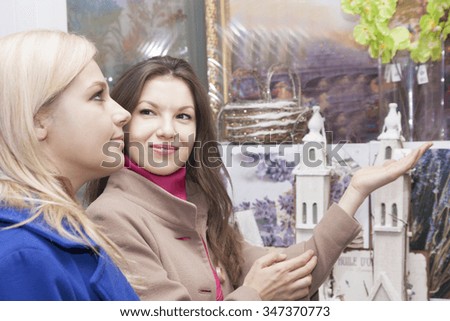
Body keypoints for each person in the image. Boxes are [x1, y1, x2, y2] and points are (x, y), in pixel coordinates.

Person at [86, 56, 432, 301]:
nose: (167, 130)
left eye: (183, 116)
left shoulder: (198, 203)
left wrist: (357, 189)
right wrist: (257, 294)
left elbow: (293, 273)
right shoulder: (111, 217)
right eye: (148, 112)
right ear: (123, 119)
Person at [0, 30, 139, 300]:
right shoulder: (22, 257)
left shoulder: (55, 237)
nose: (123, 114)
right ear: (39, 120)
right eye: (97, 96)